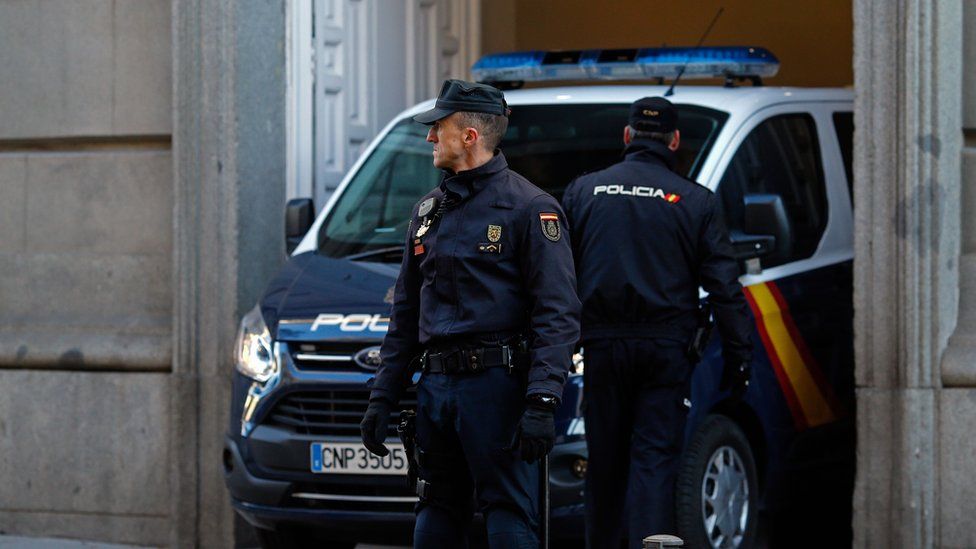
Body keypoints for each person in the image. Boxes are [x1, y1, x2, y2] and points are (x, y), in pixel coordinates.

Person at [360, 79, 581, 548]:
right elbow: (406, 313)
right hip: (436, 391)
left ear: (470, 136)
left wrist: (542, 400)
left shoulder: (530, 208)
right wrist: (383, 396)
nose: (429, 138)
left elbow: (557, 314)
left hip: (496, 389)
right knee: (437, 507)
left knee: (509, 513)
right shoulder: (428, 210)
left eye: (437, 127)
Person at [560, 96, 753, 548]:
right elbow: (726, 289)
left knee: (604, 463)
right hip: (666, 353)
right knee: (653, 463)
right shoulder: (696, 201)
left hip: (602, 350)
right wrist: (739, 362)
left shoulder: (583, 192)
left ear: (627, 136)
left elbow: (555, 276)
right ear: (676, 140)